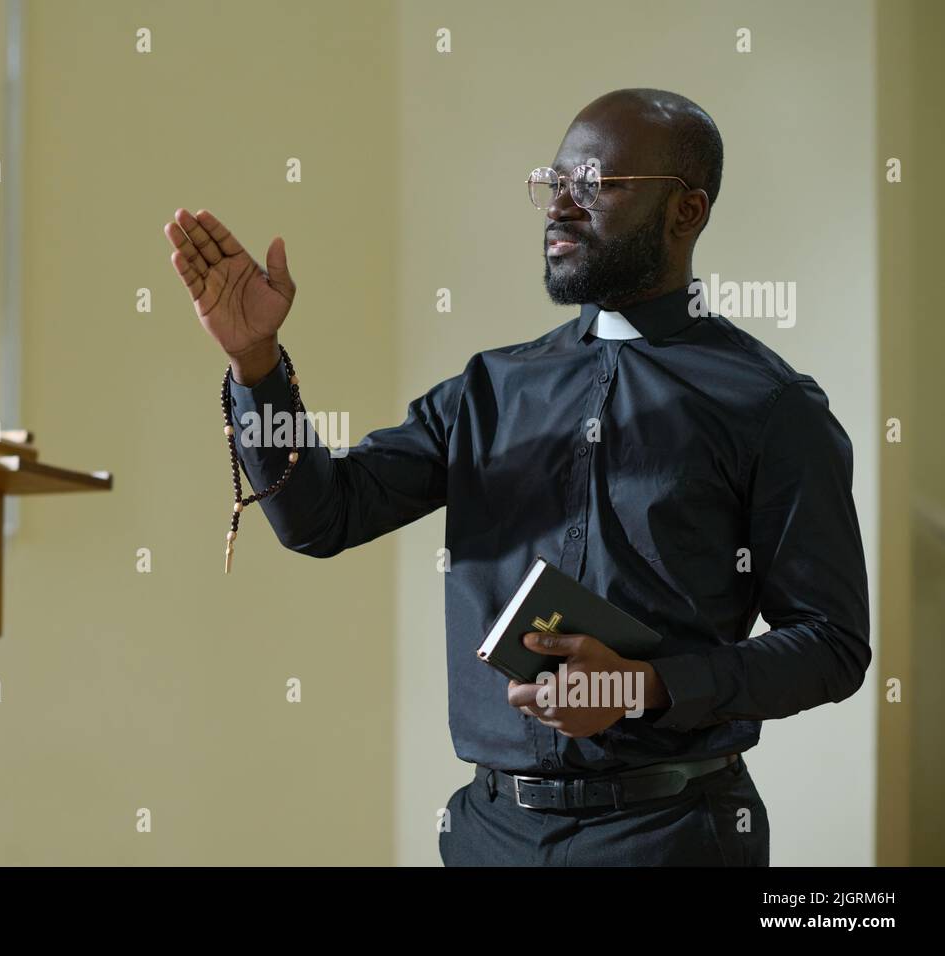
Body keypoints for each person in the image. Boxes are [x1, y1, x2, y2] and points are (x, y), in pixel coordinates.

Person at [162, 88, 870, 866]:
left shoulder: (770, 406)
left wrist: (645, 685)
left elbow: (831, 644)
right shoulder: (490, 389)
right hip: (488, 834)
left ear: (687, 212)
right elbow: (322, 517)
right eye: (554, 182)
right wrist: (257, 366)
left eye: (594, 185)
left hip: (671, 835)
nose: (561, 206)